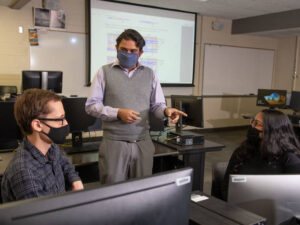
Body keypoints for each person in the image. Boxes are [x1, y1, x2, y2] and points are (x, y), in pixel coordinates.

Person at [86, 29, 187, 184]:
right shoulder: (104, 72)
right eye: (123, 50)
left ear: (140, 53)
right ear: (116, 48)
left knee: (141, 190)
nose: (128, 53)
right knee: (112, 191)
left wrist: (167, 111)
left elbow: (157, 106)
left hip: (142, 142)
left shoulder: (150, 74)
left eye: (133, 51)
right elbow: (91, 106)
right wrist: (118, 113)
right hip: (114, 143)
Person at [1, 89, 83, 203]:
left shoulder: (51, 147)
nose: (66, 124)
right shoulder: (25, 173)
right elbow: (44, 217)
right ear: (37, 125)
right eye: (60, 119)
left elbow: (65, 164)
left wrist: (75, 181)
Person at [221, 109, 300, 200]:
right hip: (237, 206)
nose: (252, 126)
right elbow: (226, 186)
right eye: (252, 121)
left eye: (257, 124)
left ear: (272, 131)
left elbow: (294, 199)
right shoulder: (243, 150)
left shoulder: (290, 159)